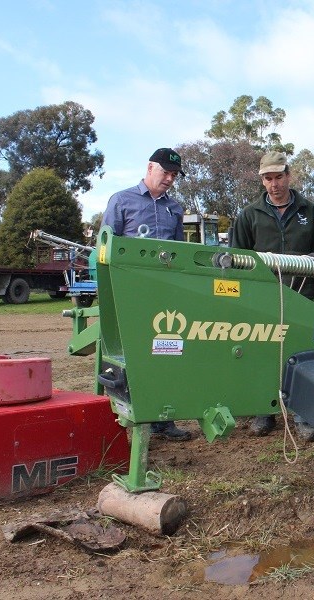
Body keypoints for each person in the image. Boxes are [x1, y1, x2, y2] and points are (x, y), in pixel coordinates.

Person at [232, 151, 314, 441]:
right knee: (263, 352)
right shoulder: (249, 215)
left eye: (279, 177)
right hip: (262, 299)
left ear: (288, 176)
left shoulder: (311, 213)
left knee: (303, 355)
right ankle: (264, 411)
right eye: (268, 178)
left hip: (302, 296)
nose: (274, 184)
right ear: (262, 180)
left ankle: (303, 414)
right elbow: (238, 260)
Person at [102, 147, 192, 442]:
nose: (169, 179)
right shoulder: (121, 201)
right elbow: (105, 249)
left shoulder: (174, 209)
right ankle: (127, 418)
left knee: (168, 352)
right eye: (165, 172)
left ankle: (163, 420)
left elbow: (179, 255)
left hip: (165, 298)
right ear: (150, 167)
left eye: (174, 175)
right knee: (132, 356)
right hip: (130, 295)